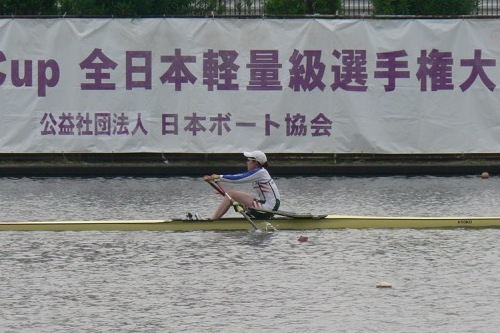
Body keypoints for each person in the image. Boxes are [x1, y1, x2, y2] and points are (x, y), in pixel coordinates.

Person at [203, 150, 281, 220]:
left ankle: (212, 220)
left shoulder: (260, 172)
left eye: (249, 160)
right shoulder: (261, 172)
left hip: (266, 210)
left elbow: (239, 178)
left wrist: (219, 177)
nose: (247, 162)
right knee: (231, 195)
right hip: (268, 206)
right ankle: (214, 219)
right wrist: (226, 193)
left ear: (255, 162)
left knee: (231, 194)